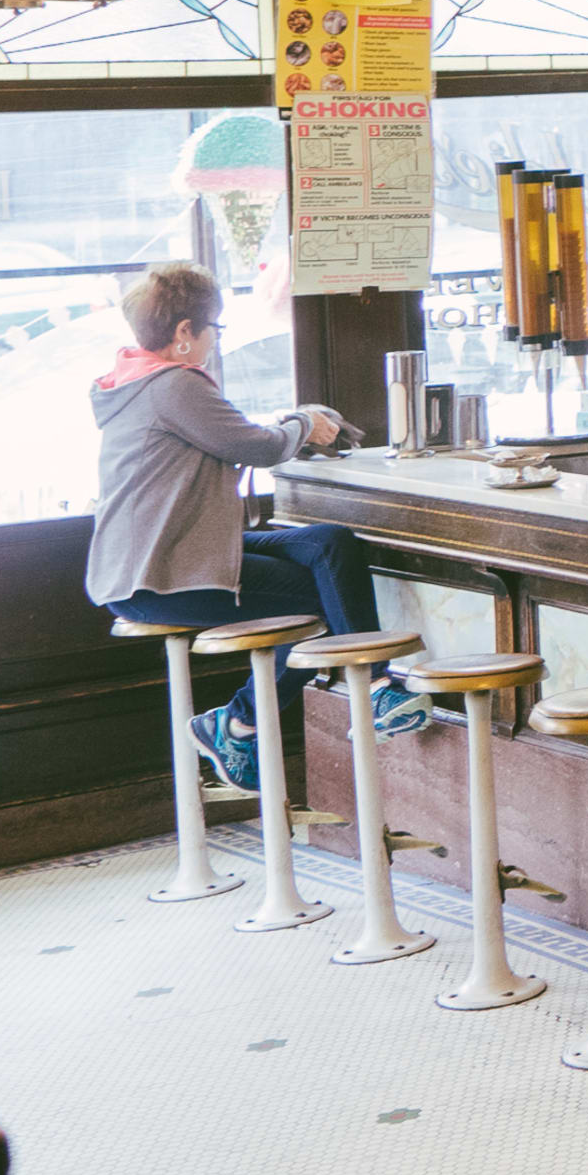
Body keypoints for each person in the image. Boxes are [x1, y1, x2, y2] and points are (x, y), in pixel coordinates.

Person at [83, 261, 415, 784]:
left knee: (329, 545)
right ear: (185, 332)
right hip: (160, 575)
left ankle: (346, 697)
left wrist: (295, 421)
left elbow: (229, 434)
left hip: (163, 559)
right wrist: (303, 423)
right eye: (214, 326)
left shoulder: (138, 380)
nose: (217, 338)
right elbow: (253, 447)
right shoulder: (173, 385)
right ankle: (264, 717)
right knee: (320, 595)